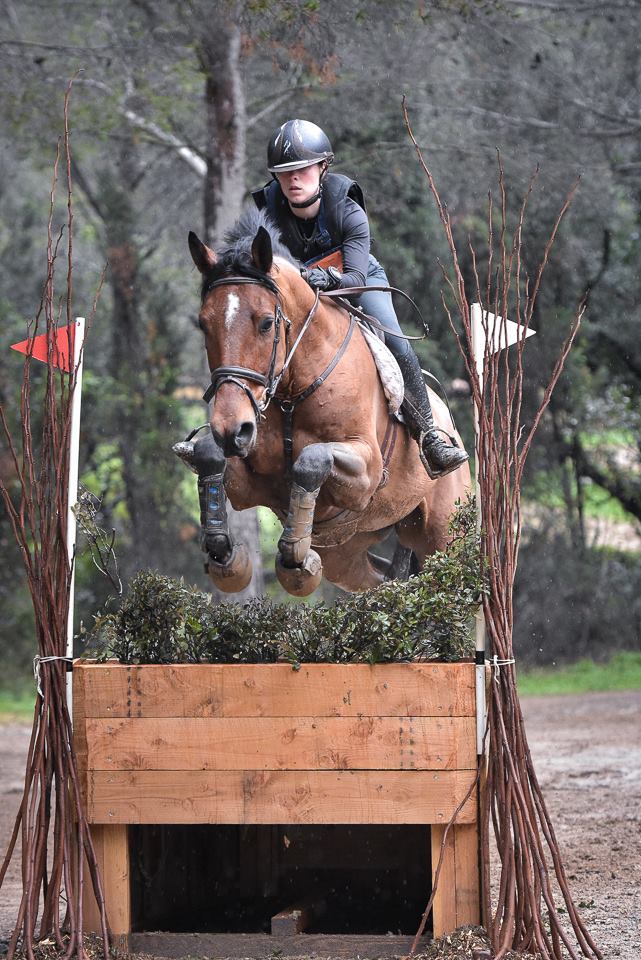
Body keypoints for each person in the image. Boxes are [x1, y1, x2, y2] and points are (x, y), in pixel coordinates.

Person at [252, 118, 469, 479]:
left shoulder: (347, 209)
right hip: (298, 292)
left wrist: (328, 278)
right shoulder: (267, 211)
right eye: (285, 172)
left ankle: (430, 436)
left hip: (355, 280)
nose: (293, 179)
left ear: (322, 167)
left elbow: (355, 278)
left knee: (397, 342)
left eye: (303, 169)